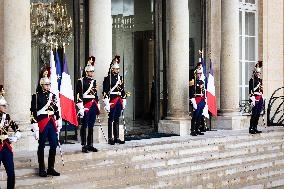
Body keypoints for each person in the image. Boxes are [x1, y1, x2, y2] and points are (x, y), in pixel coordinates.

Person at [30, 71, 61, 177]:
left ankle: (51, 167)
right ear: (42, 85)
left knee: (53, 144)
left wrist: (58, 119)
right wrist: (34, 126)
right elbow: (33, 112)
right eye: (46, 84)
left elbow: (56, 109)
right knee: (41, 145)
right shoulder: (36, 96)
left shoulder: (53, 96)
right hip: (42, 122)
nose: (48, 86)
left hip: (51, 122)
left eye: (49, 84)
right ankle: (41, 168)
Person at [76, 56, 99, 153]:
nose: (92, 73)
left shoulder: (94, 81)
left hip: (93, 105)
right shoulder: (80, 81)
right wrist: (80, 107)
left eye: (93, 72)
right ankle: (84, 145)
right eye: (90, 72)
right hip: (85, 105)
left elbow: (95, 95)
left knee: (91, 125)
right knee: (84, 125)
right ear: (86, 72)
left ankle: (90, 144)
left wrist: (98, 104)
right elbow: (78, 95)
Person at [0, 86, 21, 189]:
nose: (5, 107)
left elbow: (16, 127)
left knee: (11, 173)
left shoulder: (7, 116)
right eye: (3, 106)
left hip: (6, 147)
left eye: (5, 105)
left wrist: (16, 135)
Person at [103, 55, 126, 145]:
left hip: (119, 100)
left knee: (117, 118)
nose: (117, 70)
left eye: (118, 69)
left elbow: (122, 89)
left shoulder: (120, 78)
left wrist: (124, 98)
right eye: (116, 69)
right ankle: (110, 137)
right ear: (112, 69)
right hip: (112, 100)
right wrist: (106, 102)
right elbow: (105, 91)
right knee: (111, 119)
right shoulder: (108, 78)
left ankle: (116, 137)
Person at [189, 67, 206, 136]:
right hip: (196, 100)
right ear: (195, 74)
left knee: (200, 116)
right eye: (198, 73)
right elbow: (191, 92)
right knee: (195, 116)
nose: (200, 75)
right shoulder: (192, 82)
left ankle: (197, 129)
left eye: (200, 73)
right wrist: (193, 101)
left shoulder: (201, 82)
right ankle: (192, 130)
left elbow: (203, 91)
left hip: (201, 100)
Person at [249, 61, 264, 134]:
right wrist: (257, 86)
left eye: (259, 73)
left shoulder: (260, 80)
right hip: (255, 98)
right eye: (257, 73)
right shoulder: (252, 80)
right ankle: (251, 128)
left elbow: (261, 90)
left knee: (258, 114)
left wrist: (262, 93)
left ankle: (255, 127)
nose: (259, 74)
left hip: (260, 98)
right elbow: (251, 91)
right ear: (255, 73)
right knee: (254, 114)